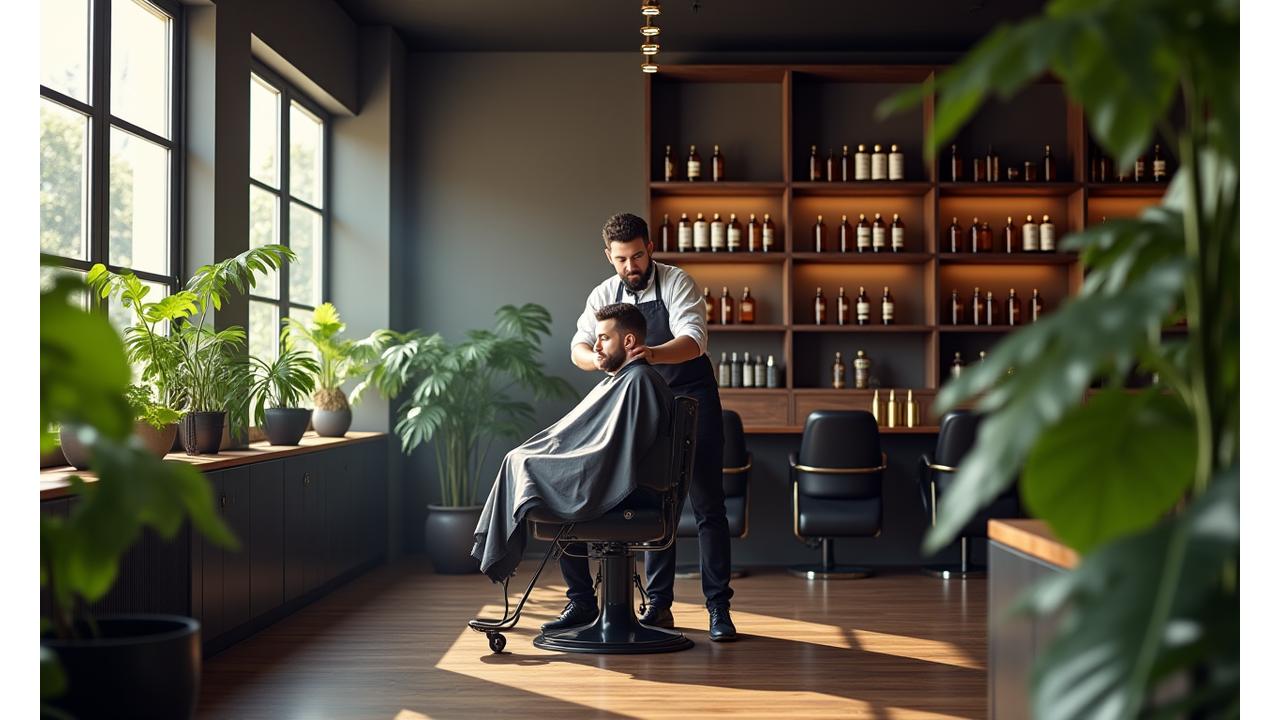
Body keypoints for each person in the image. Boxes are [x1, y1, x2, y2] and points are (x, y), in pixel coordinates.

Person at [548, 212, 737, 642]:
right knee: (654, 499)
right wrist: (595, 359)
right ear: (608, 257)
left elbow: (694, 340)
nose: (630, 267)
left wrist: (649, 354)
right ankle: (658, 606)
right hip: (639, 404)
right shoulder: (604, 293)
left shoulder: (676, 283)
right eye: (621, 260)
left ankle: (718, 609)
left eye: (637, 256)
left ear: (650, 248)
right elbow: (577, 346)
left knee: (708, 506)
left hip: (691, 398)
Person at [471, 304, 674, 584]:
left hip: (630, 491)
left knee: (542, 480)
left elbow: (614, 451)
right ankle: (579, 601)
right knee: (523, 463)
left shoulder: (638, 381)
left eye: (604, 338)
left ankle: (580, 601)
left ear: (628, 341)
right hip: (619, 482)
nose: (596, 346)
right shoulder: (623, 381)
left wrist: (551, 463)